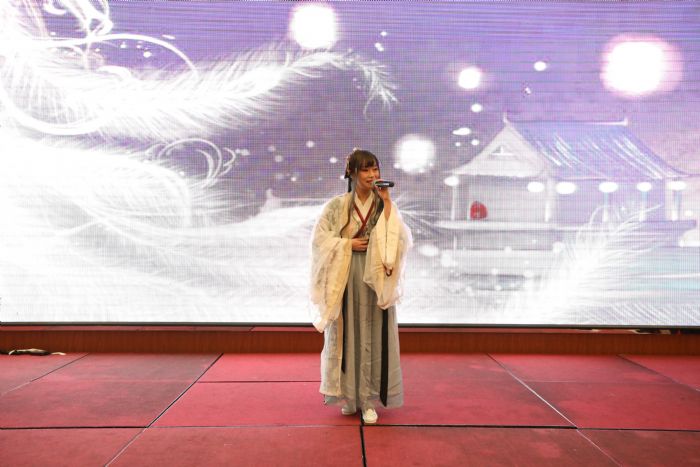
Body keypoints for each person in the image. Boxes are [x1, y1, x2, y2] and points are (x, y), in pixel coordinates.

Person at [310, 148, 412, 424]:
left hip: (374, 275)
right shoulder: (337, 205)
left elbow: (400, 239)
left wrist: (387, 202)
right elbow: (319, 240)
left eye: (375, 169)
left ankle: (368, 399)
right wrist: (347, 244)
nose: (371, 175)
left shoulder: (383, 205)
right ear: (352, 173)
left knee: (373, 334)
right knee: (347, 334)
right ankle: (350, 396)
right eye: (365, 169)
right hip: (346, 274)